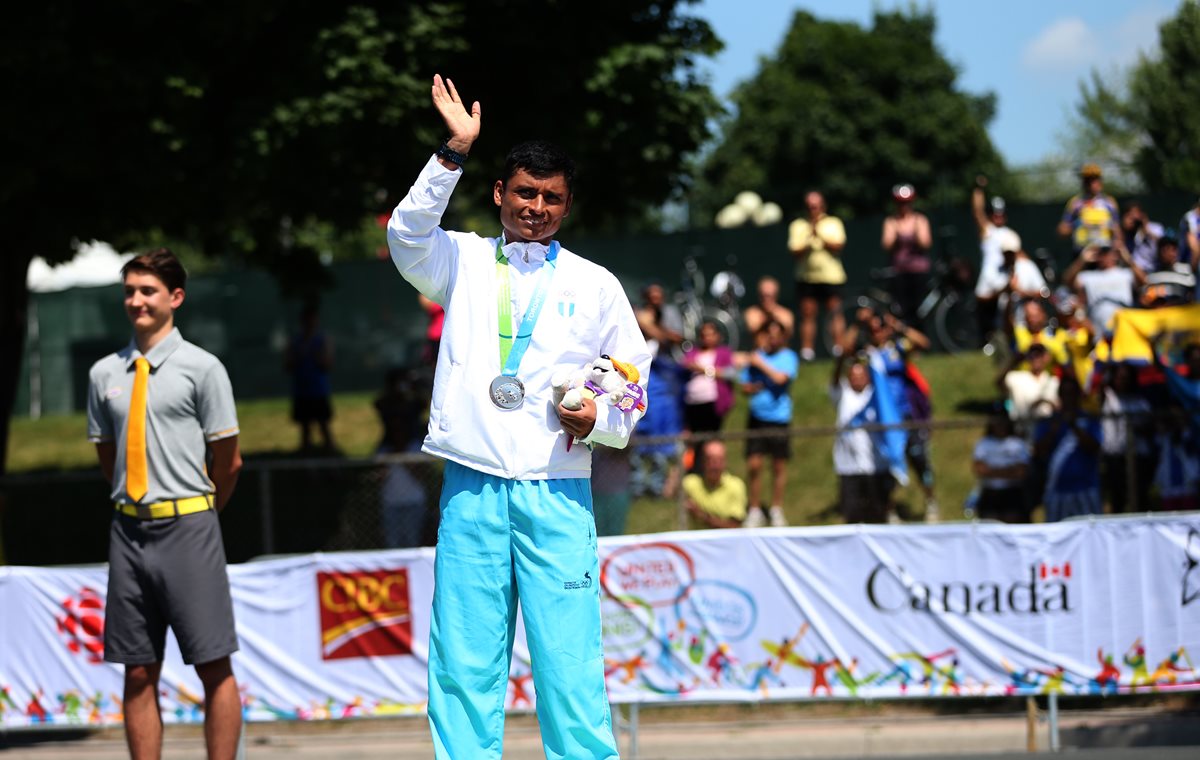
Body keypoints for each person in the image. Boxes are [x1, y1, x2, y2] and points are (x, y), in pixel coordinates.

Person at [385, 75, 649, 759]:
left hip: (557, 490)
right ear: (500, 193)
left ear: (567, 204)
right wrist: (452, 152)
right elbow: (405, 235)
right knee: (465, 666)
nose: (536, 208)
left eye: (551, 197)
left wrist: (597, 416)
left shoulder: (595, 284)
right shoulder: (462, 260)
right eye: (525, 192)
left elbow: (632, 380)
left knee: (569, 667)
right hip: (472, 486)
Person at [86, 248, 243, 760]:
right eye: (129, 291)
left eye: (147, 290)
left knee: (212, 664)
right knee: (136, 668)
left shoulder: (204, 368)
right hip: (127, 532)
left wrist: (201, 513)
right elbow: (107, 457)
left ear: (175, 297)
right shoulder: (102, 374)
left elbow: (230, 461)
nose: (136, 301)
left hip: (191, 527)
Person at [740, 320, 799, 528]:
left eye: (776, 334)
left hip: (779, 419)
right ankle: (754, 509)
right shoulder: (757, 356)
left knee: (778, 465)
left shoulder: (788, 357)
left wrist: (760, 365)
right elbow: (745, 386)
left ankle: (776, 509)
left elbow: (781, 379)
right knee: (754, 465)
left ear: (783, 337)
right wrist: (755, 383)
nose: (772, 338)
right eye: (769, 334)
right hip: (756, 418)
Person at [830, 349, 892, 523]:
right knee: (852, 516)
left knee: (878, 515)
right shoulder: (843, 395)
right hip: (848, 468)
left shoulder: (877, 396)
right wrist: (841, 357)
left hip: (876, 465)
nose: (857, 378)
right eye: (853, 375)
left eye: (861, 374)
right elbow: (834, 378)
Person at [1034, 377, 1103, 522]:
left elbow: (1094, 447)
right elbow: (1039, 450)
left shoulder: (1088, 420)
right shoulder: (1049, 421)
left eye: (1072, 394)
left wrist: (1074, 426)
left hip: (1086, 488)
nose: (1068, 398)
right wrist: (1055, 429)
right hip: (1057, 490)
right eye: (1065, 394)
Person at [788, 191, 846, 360]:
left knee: (835, 312)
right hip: (806, 278)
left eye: (816, 206)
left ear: (823, 206)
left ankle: (839, 348)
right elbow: (795, 251)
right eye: (809, 206)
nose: (813, 209)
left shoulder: (833, 223)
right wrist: (809, 237)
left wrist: (819, 234)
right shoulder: (798, 225)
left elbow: (838, 245)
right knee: (807, 314)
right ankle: (807, 352)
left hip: (831, 277)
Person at [971, 176, 1023, 343]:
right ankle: (984, 341)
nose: (998, 217)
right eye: (995, 214)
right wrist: (978, 189)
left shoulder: (1010, 234)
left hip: (1003, 278)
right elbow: (977, 211)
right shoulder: (988, 231)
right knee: (983, 309)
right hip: (988, 277)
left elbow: (1019, 254)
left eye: (1001, 214)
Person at [681, 319, 735, 471]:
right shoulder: (693, 353)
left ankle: (711, 470)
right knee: (693, 442)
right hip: (693, 404)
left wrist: (704, 369)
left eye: (711, 334)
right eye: (704, 335)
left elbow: (730, 373)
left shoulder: (723, 353)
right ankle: (693, 471)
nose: (708, 338)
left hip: (712, 405)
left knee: (711, 441)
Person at [1100, 363, 1154, 513]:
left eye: (1126, 378)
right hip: (1116, 458)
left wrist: (1138, 427)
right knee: (1118, 500)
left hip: (1139, 458)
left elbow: (1150, 426)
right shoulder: (1109, 399)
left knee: (1140, 498)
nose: (1123, 381)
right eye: (1119, 378)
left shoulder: (1140, 402)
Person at [284, 303, 336, 452]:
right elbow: (288, 365)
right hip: (302, 390)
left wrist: (315, 354)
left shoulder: (322, 339)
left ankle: (331, 457)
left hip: (318, 390)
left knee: (324, 426)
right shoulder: (295, 341)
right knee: (305, 430)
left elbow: (327, 363)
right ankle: (307, 460)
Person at [1063, 244, 1146, 336]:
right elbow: (1067, 281)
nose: (1103, 257)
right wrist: (1081, 260)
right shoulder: (1089, 276)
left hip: (1123, 319)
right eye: (1100, 254)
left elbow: (1144, 281)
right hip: (1099, 323)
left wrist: (1128, 259)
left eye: (1106, 253)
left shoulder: (1125, 273)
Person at [881, 183, 933, 327]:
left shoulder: (920, 220)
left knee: (919, 308)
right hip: (899, 271)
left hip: (919, 271)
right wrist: (896, 233)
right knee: (901, 309)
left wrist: (916, 233)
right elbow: (886, 244)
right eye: (900, 203)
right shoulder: (891, 221)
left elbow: (926, 243)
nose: (904, 206)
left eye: (906, 202)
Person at [972, 413, 1031, 523]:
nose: (1000, 426)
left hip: (1012, 495)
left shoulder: (1018, 443)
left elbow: (1021, 472)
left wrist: (992, 471)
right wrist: (1010, 471)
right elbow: (979, 469)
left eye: (1003, 422)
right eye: (997, 422)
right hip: (990, 494)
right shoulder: (983, 443)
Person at [681, 440, 748, 528]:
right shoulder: (689, 483)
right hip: (697, 541)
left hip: (727, 541)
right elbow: (667, 493)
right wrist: (680, 461)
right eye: (710, 459)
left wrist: (701, 516)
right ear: (702, 461)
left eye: (719, 460)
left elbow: (734, 526)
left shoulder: (736, 486)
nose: (714, 465)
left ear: (725, 461)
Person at [1057, 163, 1122, 254]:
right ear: (1083, 182)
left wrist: (1116, 240)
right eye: (1088, 180)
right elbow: (1062, 231)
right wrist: (1077, 224)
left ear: (1100, 181)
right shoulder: (1076, 203)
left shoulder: (1109, 203)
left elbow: (1117, 231)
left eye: (1095, 179)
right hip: (1082, 253)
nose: (1092, 184)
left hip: (1105, 254)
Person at [997, 343, 1060, 423]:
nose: (1035, 359)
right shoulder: (1017, 377)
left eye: (1038, 355)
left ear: (1046, 358)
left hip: (1047, 426)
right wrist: (1014, 362)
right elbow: (999, 383)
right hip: (1022, 426)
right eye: (1031, 356)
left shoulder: (1053, 381)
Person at [743, 275, 795, 344]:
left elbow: (788, 333)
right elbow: (752, 330)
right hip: (757, 353)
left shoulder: (786, 314)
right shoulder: (751, 313)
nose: (766, 299)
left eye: (770, 296)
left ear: (776, 295)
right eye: (763, 296)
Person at [1121, 201, 1164, 273]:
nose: (1134, 218)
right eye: (1130, 215)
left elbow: (1163, 245)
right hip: (1137, 270)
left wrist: (1146, 230)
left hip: (1155, 268)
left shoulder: (1156, 227)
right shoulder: (1132, 234)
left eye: (1135, 214)